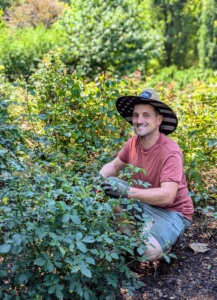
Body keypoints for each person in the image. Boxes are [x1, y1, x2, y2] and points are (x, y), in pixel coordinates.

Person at [97, 88, 194, 262]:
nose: (139, 120)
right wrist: (94, 181)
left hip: (172, 212)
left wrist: (126, 191)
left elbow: (167, 197)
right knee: (108, 185)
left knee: (148, 252)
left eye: (146, 115)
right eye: (136, 115)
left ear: (159, 120)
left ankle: (158, 242)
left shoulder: (170, 151)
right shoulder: (132, 143)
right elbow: (113, 165)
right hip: (144, 202)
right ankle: (130, 241)